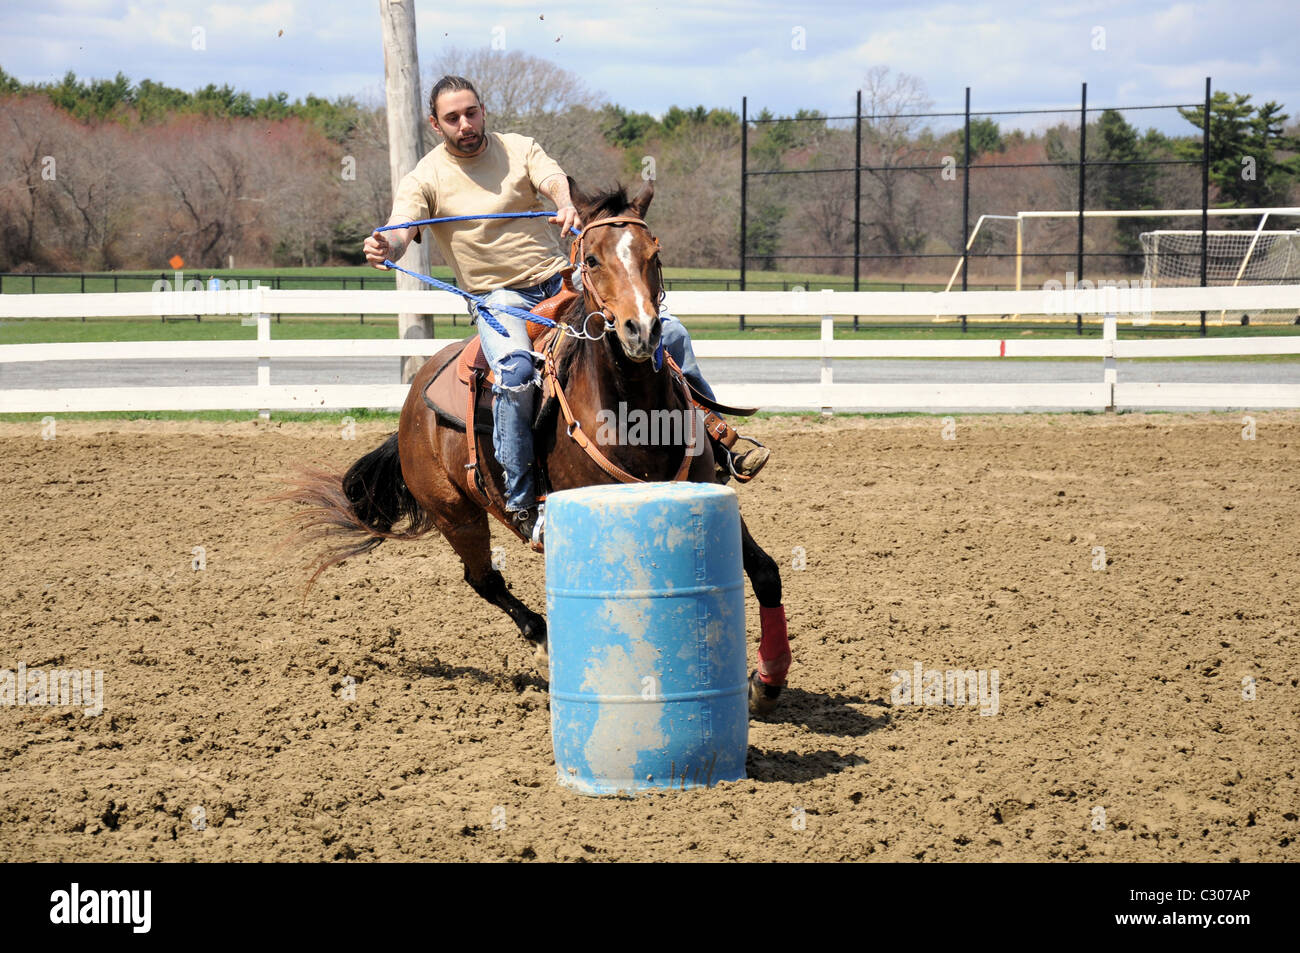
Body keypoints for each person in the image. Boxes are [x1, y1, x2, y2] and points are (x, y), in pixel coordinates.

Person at [364, 75, 767, 540]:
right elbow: (400, 228)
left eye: (471, 112)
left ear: (483, 111)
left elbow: (553, 178)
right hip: (502, 299)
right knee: (514, 375)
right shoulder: (425, 177)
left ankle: (717, 440)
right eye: (453, 117)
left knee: (669, 332)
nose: (466, 124)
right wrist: (385, 246)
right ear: (435, 124)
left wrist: (563, 201)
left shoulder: (518, 148)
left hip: (562, 283)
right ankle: (523, 503)